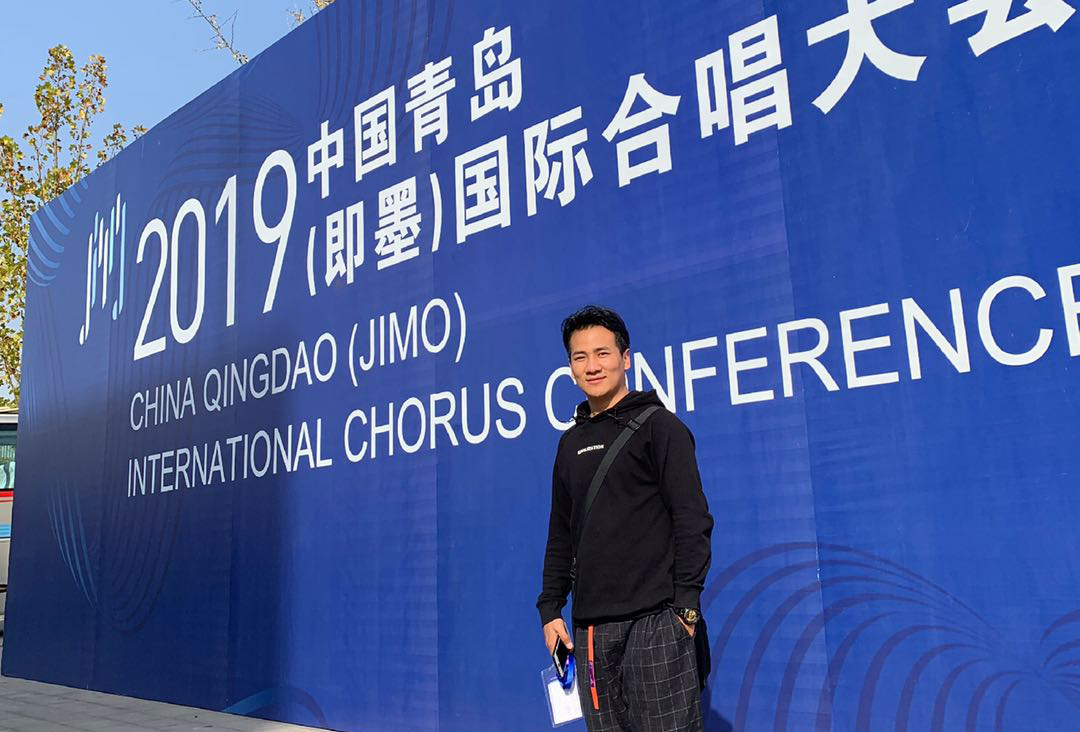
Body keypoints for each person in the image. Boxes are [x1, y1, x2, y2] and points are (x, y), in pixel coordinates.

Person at [537, 305, 714, 732]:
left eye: (603, 353)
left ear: (626, 358)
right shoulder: (569, 444)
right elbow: (561, 533)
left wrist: (686, 610)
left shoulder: (659, 427)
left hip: (656, 622)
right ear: (570, 368)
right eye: (580, 357)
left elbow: (692, 519)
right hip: (591, 630)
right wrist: (550, 609)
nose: (592, 366)